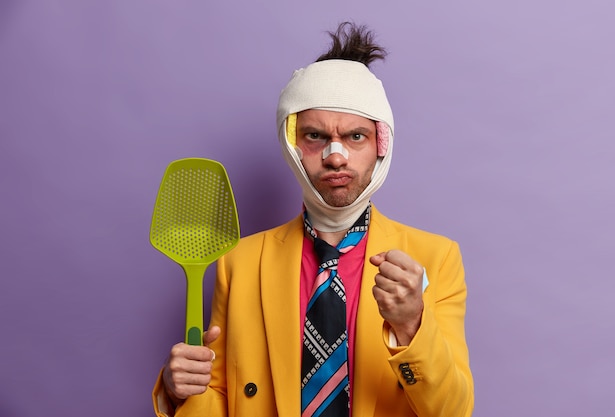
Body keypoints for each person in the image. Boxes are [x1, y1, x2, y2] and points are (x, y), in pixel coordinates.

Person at [152, 22, 474, 417]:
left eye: (355, 136)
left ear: (380, 145)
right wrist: (179, 390)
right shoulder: (238, 263)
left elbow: (453, 411)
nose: (335, 156)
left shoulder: (436, 258)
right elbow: (216, 394)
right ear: (292, 146)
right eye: (316, 136)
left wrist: (411, 326)